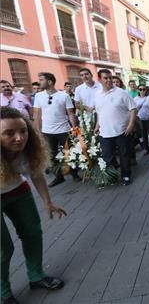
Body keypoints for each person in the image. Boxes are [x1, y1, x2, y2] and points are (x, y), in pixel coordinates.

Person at [1, 106, 67, 304]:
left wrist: (48, 202)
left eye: (23, 131)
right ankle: (3, 291)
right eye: (9, 133)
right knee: (4, 249)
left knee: (33, 233)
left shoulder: (28, 149)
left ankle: (36, 276)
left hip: (18, 192)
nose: (20, 138)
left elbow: (36, 173)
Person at [33, 73, 79, 187]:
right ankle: (59, 177)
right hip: (47, 132)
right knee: (52, 156)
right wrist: (36, 132)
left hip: (64, 130)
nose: (39, 82)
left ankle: (74, 174)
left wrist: (74, 128)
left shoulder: (64, 96)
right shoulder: (38, 96)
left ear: (49, 82)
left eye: (41, 80)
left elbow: (71, 113)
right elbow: (37, 115)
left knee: (70, 153)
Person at [94, 69, 137, 186]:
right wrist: (97, 125)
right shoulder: (97, 95)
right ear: (99, 80)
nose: (108, 80)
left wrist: (131, 125)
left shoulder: (122, 93)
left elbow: (133, 109)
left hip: (121, 131)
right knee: (108, 156)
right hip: (104, 132)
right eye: (105, 78)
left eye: (110, 78)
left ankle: (126, 175)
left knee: (124, 155)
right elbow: (99, 112)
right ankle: (112, 176)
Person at [134, 85, 149, 155]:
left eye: (144, 89)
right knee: (143, 135)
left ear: (146, 90)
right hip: (140, 119)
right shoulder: (135, 99)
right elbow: (134, 110)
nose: (142, 91)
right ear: (138, 90)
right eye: (140, 89)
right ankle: (146, 149)